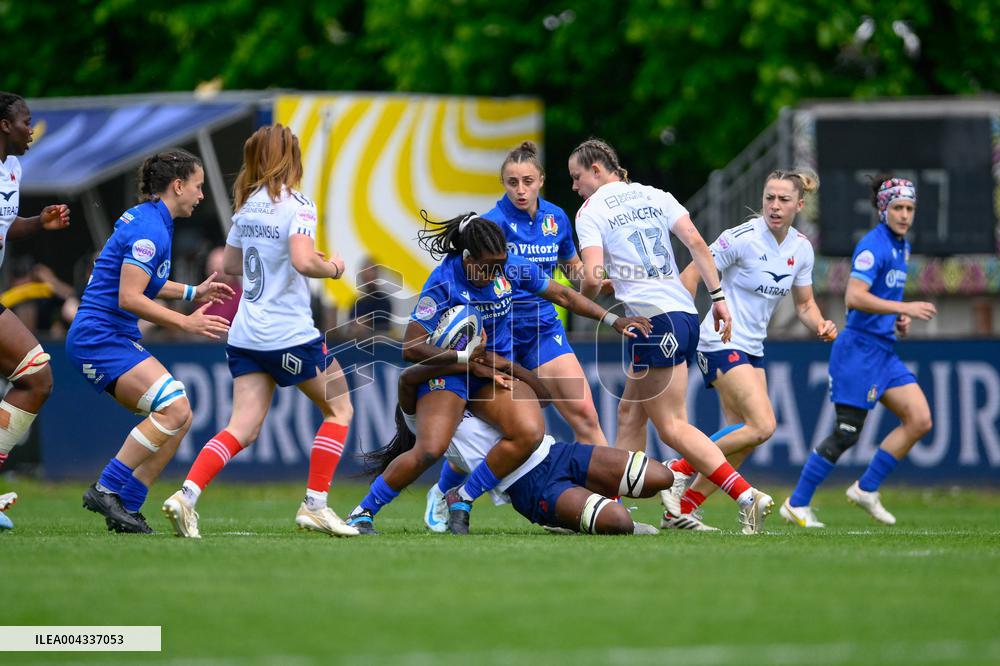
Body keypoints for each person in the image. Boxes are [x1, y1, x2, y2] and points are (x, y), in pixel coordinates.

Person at [345, 211, 650, 535]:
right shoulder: (443, 282)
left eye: (500, 263)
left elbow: (562, 294)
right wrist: (463, 356)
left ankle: (461, 498)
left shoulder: (510, 265)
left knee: (530, 433)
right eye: (488, 266)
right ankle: (363, 512)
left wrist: (612, 320)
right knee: (431, 449)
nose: (496, 272)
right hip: (449, 371)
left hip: (490, 370)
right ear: (467, 259)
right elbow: (411, 348)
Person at [162, 124, 357, 539]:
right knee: (340, 408)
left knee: (242, 428)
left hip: (246, 335)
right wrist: (334, 267)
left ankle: (186, 495)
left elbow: (231, 265)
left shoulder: (248, 205)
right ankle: (316, 505)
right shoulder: (298, 205)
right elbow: (305, 262)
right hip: (288, 334)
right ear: (292, 158)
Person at [570, 137, 774, 534]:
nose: (576, 187)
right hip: (682, 313)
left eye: (577, 177)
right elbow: (698, 243)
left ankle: (747, 496)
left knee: (673, 426)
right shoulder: (655, 194)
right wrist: (718, 297)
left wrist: (583, 300)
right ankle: (614, 509)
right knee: (630, 413)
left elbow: (592, 277)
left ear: (597, 170)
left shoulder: (590, 210)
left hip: (650, 322)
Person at [424, 140, 609, 532]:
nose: (520, 189)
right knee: (492, 431)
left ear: (541, 180)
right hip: (497, 334)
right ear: (503, 184)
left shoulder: (556, 218)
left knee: (585, 412)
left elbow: (572, 270)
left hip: (542, 328)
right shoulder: (491, 224)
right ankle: (444, 492)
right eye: (512, 182)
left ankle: (608, 502)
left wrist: (595, 283)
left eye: (527, 181)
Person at [653, 170, 838, 530]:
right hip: (718, 340)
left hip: (753, 348)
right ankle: (677, 469)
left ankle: (682, 508)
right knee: (763, 425)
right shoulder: (741, 238)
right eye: (769, 197)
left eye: (784, 200)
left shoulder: (801, 248)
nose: (774, 205)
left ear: (799, 205)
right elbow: (691, 276)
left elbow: (804, 305)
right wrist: (681, 323)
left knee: (743, 438)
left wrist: (820, 323)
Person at [66, 149, 233, 534]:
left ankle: (127, 506)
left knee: (181, 415)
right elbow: (130, 297)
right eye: (198, 186)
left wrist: (193, 291)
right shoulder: (150, 229)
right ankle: (106, 488)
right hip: (99, 337)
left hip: (111, 334)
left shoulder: (153, 219)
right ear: (178, 186)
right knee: (173, 409)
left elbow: (146, 283)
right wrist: (184, 323)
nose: (201, 195)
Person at [782, 175, 935, 528]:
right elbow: (854, 296)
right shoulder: (874, 246)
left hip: (884, 351)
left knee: (920, 420)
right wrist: (904, 308)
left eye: (909, 208)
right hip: (859, 352)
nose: (904, 215)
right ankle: (796, 503)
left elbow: (877, 299)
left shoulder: (902, 246)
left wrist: (896, 320)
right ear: (883, 210)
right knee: (847, 433)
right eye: (897, 207)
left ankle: (866, 489)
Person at [378, 361, 669, 535]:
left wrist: (501, 364)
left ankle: (581, 514)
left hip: (556, 453)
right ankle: (582, 518)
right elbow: (408, 377)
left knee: (661, 478)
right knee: (619, 522)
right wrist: (457, 358)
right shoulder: (421, 418)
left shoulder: (478, 388)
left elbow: (543, 398)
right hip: (529, 487)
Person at [0, 91, 71, 531]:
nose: (32, 128)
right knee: (37, 375)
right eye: (26, 121)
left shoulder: (13, 168)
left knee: (36, 377)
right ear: (5, 125)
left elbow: (8, 226)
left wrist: (36, 223)